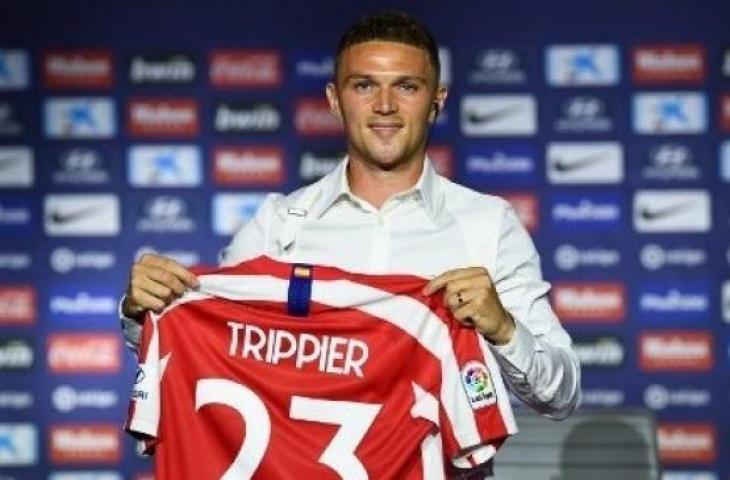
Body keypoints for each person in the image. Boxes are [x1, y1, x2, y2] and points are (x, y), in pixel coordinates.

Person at [120, 9, 580, 478]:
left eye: (406, 86)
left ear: (437, 100)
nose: (384, 105)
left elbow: (561, 395)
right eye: (363, 86)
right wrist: (147, 309)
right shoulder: (280, 224)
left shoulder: (488, 224)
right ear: (335, 99)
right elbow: (210, 338)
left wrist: (502, 328)